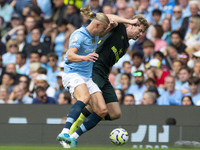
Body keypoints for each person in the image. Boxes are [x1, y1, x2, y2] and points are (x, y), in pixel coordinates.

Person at [57, 6, 149, 148]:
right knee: (90, 103)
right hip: (94, 68)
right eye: (140, 29)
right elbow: (107, 16)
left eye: (142, 32)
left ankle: (74, 130)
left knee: (114, 113)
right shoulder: (118, 28)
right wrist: (128, 20)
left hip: (104, 74)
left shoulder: (125, 46)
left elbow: (111, 62)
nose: (140, 34)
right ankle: (68, 135)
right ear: (132, 25)